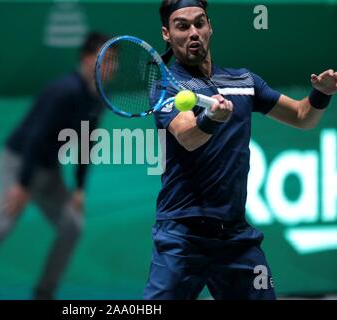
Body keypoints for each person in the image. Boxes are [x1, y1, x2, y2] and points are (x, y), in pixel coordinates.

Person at [143, 0, 336, 300]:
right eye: (182, 26)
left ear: (210, 27)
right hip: (181, 236)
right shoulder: (167, 86)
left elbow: (302, 116)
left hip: (235, 239)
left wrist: (320, 94)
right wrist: (211, 118)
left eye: (199, 23)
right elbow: (187, 136)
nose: (193, 32)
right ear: (167, 34)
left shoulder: (245, 82)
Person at [0, 32, 109, 300]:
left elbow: (86, 143)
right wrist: (22, 184)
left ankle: (44, 294)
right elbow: (35, 136)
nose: (112, 66)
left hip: (48, 171)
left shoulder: (97, 99)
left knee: (72, 227)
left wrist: (80, 188)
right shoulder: (63, 90)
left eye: (114, 60)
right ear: (87, 59)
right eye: (105, 59)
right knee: (0, 228)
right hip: (18, 163)